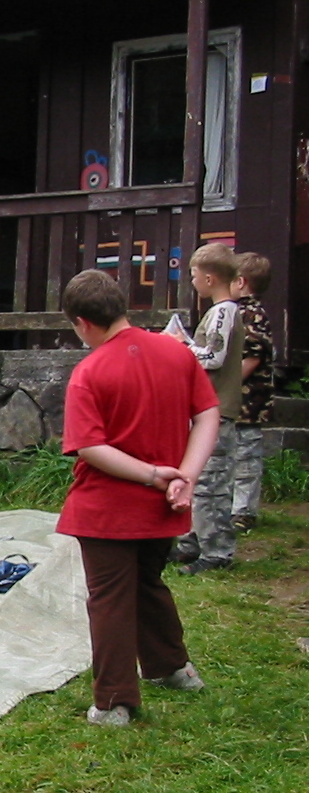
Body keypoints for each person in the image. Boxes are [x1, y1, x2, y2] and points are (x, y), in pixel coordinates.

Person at [57, 270, 219, 727]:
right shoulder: (176, 352)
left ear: (83, 323)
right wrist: (186, 476)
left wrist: (152, 475)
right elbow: (208, 414)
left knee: (109, 598)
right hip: (163, 504)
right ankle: (172, 668)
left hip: (107, 508)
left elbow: (91, 447)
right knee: (148, 583)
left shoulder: (90, 372)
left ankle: (114, 702)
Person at [172, 243, 244, 574]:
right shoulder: (219, 312)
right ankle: (192, 542)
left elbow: (213, 356)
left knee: (211, 485)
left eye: (193, 275)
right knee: (197, 479)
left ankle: (217, 551)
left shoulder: (224, 312)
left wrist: (181, 346)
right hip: (206, 413)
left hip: (218, 412)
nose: (192, 281)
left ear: (210, 278)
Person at [231, 252, 275, 534]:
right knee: (232, 453)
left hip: (249, 400)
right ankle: (231, 505)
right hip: (235, 401)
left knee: (246, 455)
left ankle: (244, 511)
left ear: (241, 282)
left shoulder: (251, 314)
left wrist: (229, 383)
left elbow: (253, 355)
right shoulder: (235, 311)